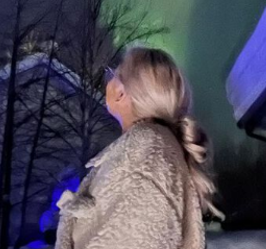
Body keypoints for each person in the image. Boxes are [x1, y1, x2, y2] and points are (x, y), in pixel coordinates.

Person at [55, 46, 222, 249]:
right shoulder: (151, 147)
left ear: (120, 93)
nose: (109, 80)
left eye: (114, 74)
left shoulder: (147, 148)